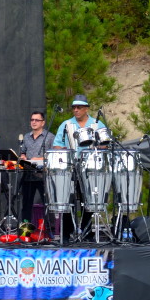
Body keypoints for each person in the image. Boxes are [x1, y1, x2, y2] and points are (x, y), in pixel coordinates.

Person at [53, 94, 107, 242]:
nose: (76, 110)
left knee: (88, 199)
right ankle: (66, 233)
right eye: (74, 107)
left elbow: (105, 144)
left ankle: (87, 232)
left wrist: (98, 147)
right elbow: (57, 144)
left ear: (86, 109)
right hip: (70, 166)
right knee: (67, 198)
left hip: (90, 168)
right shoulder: (66, 125)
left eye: (79, 107)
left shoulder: (97, 124)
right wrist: (64, 150)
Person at [20, 111, 55, 224]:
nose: (34, 122)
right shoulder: (26, 137)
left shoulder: (50, 137)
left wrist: (40, 159)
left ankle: (48, 227)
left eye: (37, 120)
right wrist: (23, 157)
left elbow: (54, 155)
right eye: (32, 120)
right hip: (28, 174)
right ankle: (26, 227)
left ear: (43, 123)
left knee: (47, 203)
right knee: (26, 203)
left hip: (43, 175)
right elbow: (23, 151)